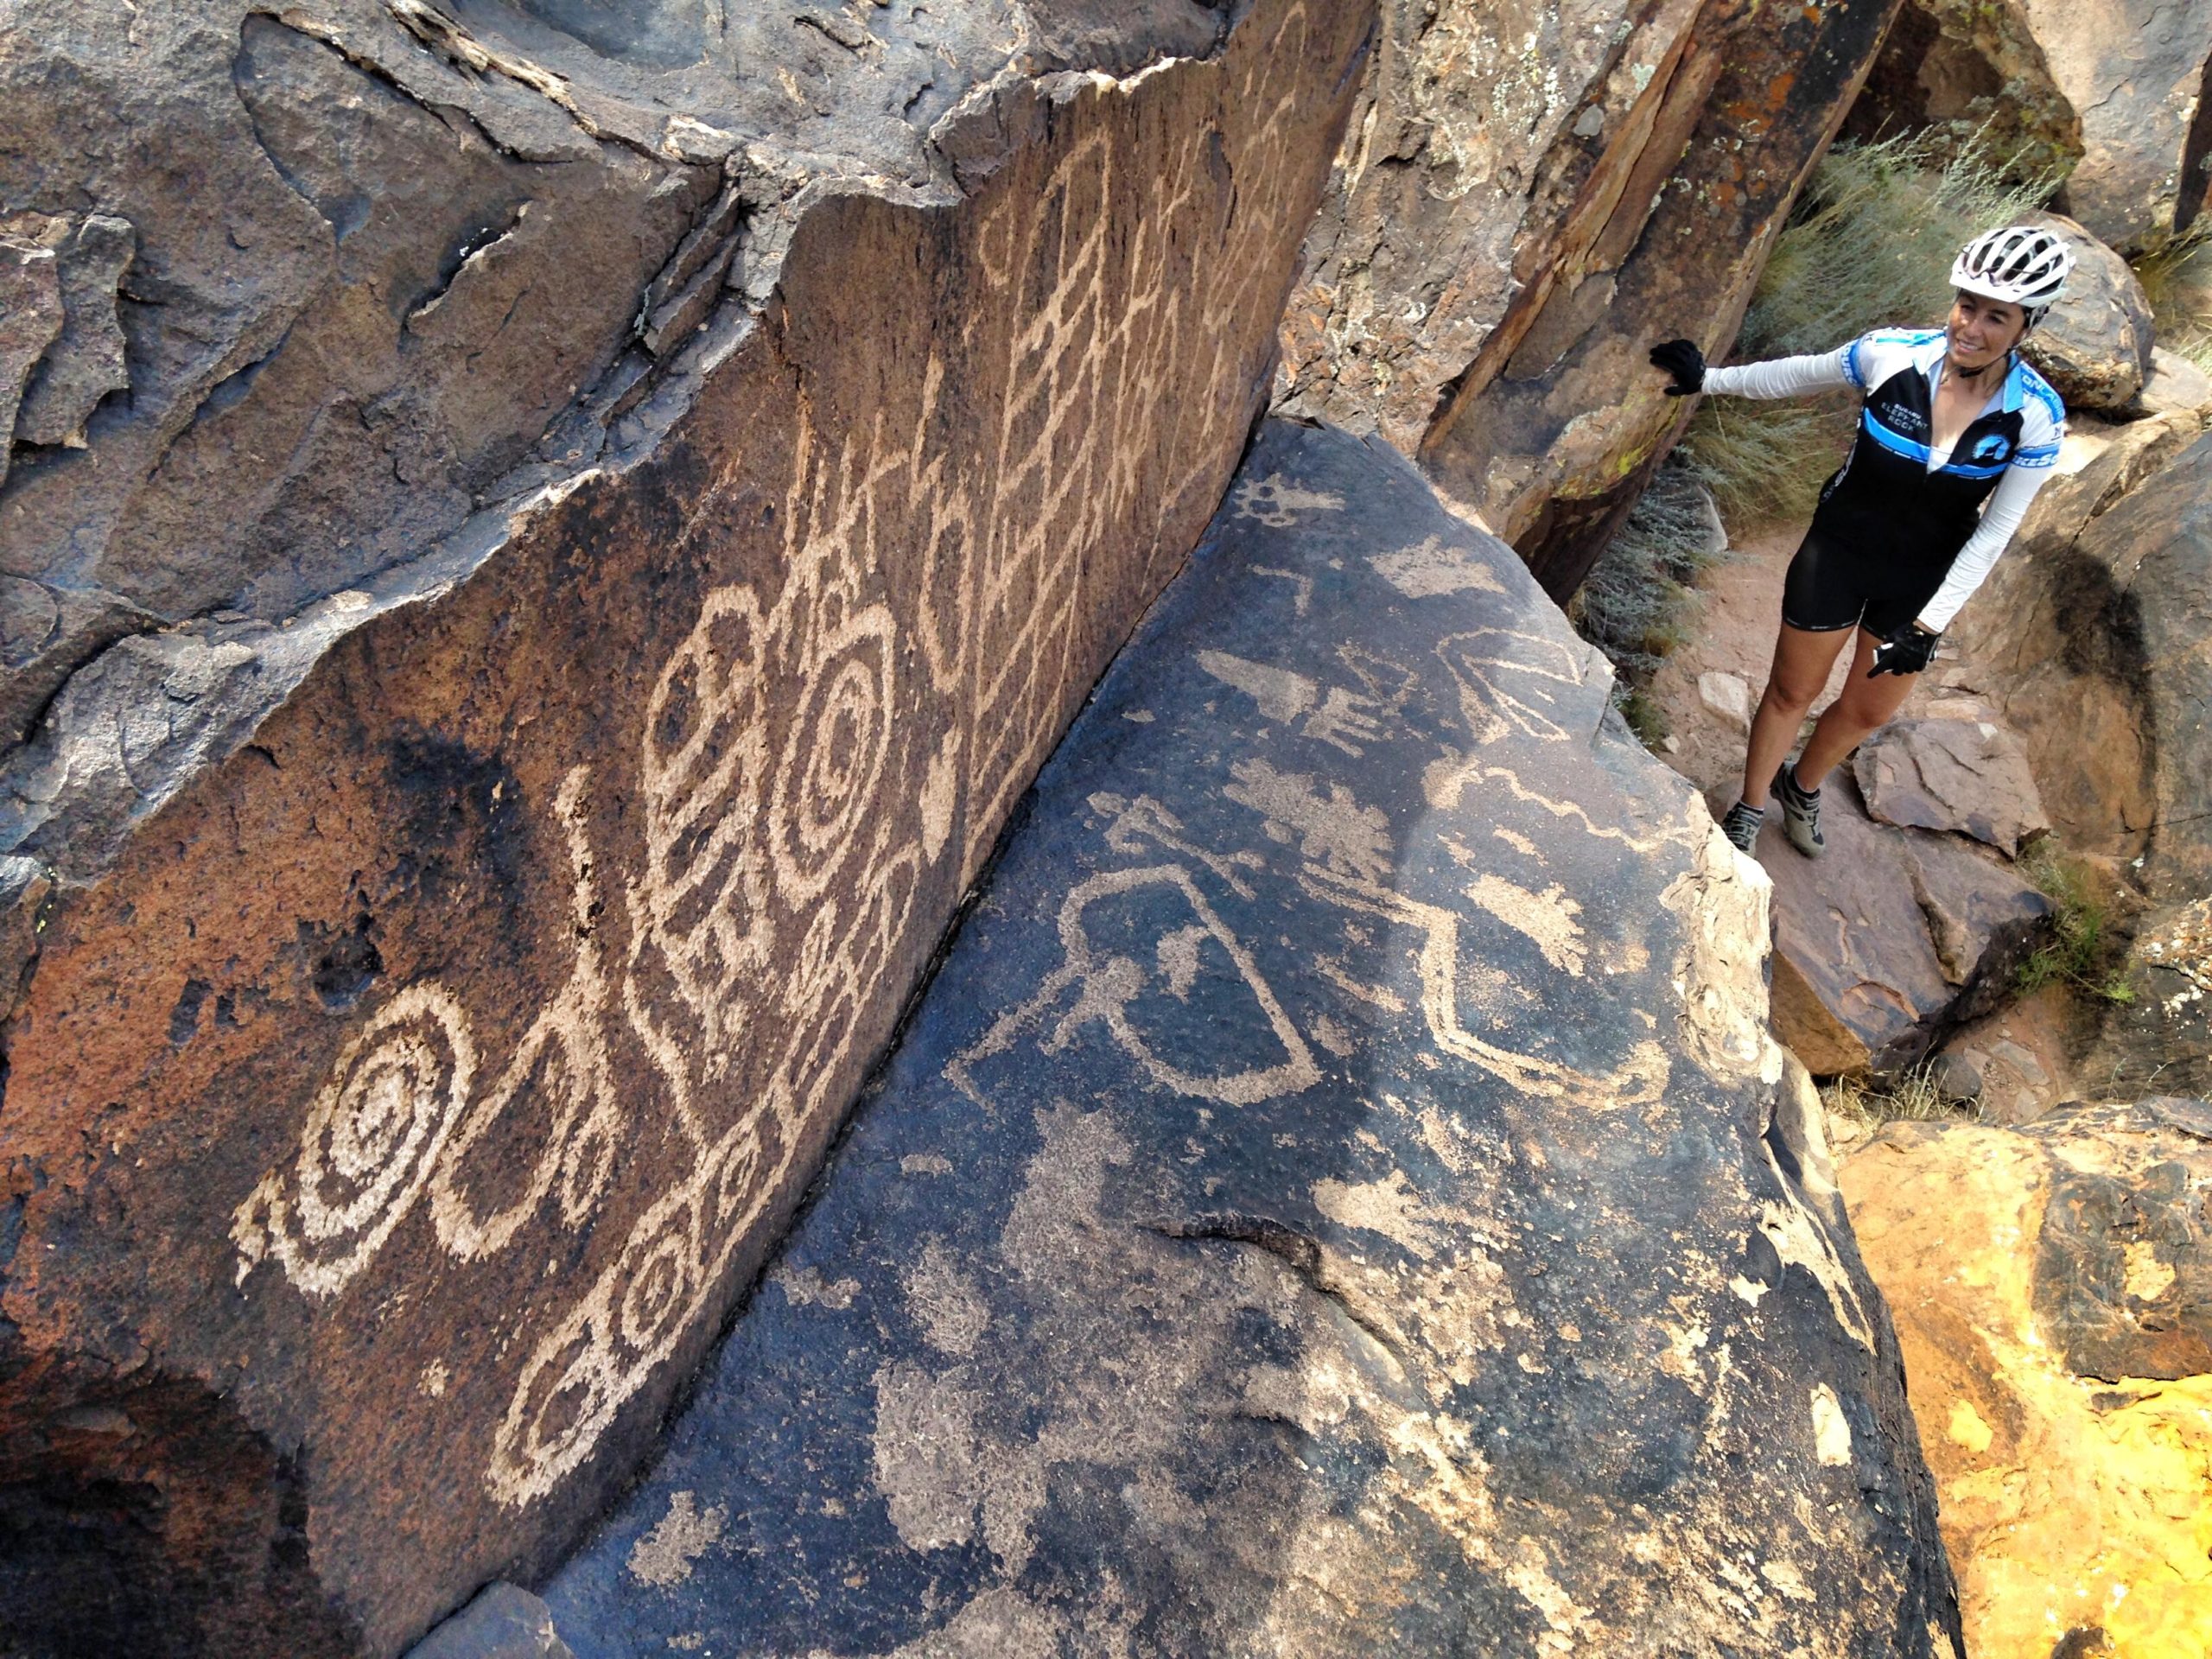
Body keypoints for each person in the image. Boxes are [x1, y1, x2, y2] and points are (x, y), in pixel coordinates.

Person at [1649, 223, 2074, 858]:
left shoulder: (2037, 416)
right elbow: (1799, 375)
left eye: (1995, 316)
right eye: (1966, 306)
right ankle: (1749, 804)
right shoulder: (1892, 354)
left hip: (1921, 581)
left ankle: (1803, 786)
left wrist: (1927, 628)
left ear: (2026, 326)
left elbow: (1994, 535)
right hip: (1839, 552)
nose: (1971, 327)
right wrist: (1709, 379)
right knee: (1793, 691)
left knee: (1869, 711)